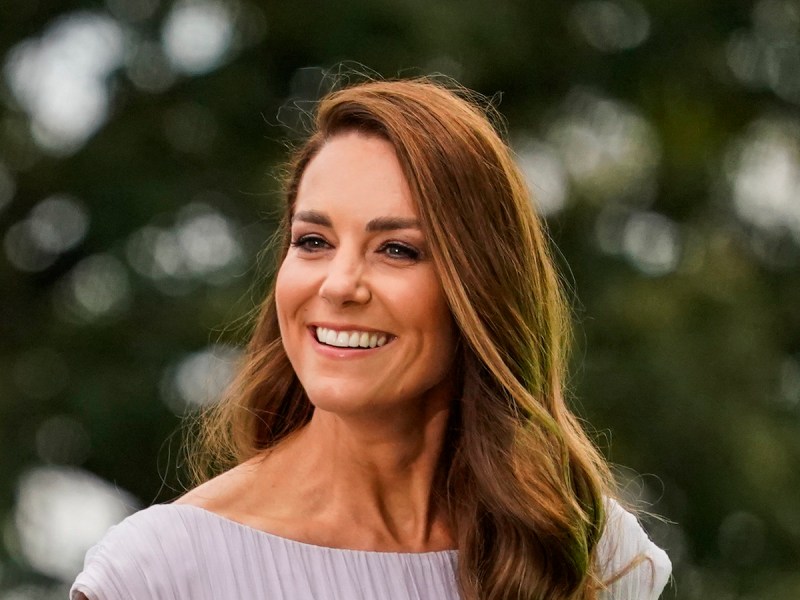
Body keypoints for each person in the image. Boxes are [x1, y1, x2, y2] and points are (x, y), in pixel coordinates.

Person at [70, 77, 671, 600]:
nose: (339, 285)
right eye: (313, 241)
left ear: (480, 287)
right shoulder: (163, 571)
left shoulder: (588, 552)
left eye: (397, 250)